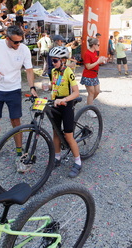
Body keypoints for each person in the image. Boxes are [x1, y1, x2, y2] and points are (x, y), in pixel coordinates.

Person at [0, 26, 37, 153]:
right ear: (7, 39)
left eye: (21, 41)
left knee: (16, 121)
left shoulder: (24, 49)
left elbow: (29, 70)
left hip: (14, 89)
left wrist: (32, 88)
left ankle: (19, 151)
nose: (19, 44)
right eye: (16, 42)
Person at [48, 46, 83, 178]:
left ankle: (78, 162)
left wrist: (65, 99)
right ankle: (57, 157)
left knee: (68, 136)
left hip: (66, 104)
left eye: (55, 60)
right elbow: (54, 86)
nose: (53, 63)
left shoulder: (69, 72)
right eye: (52, 60)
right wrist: (47, 87)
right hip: (56, 103)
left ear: (63, 60)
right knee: (56, 133)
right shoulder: (53, 71)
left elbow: (76, 92)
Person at [80, 37, 107, 106]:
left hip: (94, 75)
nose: (99, 46)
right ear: (94, 45)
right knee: (91, 93)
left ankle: (88, 103)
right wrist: (98, 62)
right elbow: (88, 66)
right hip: (88, 75)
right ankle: (89, 107)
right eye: (98, 45)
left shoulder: (94, 52)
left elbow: (95, 61)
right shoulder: (87, 53)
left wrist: (102, 60)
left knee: (97, 91)